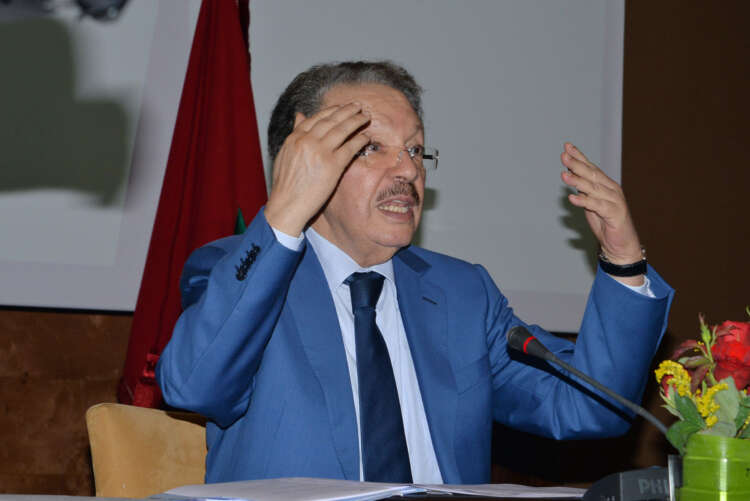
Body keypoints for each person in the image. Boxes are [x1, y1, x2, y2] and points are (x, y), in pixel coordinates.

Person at [157, 61, 673, 485]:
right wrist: (284, 212)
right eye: (372, 148)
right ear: (302, 162)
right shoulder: (238, 274)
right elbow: (194, 387)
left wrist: (624, 260)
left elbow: (590, 406)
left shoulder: (461, 295)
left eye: (414, 149)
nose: (408, 170)